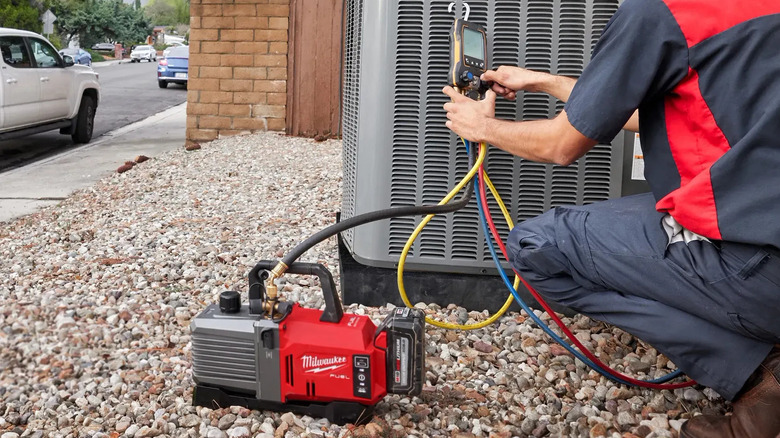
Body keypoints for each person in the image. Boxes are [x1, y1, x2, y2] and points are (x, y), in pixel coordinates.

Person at [442, 0, 780, 437]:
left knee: (536, 246)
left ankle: (760, 374)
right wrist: (544, 82)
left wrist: (481, 127)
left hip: (754, 259)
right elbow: (667, 106)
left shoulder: (661, 12)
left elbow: (561, 146)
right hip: (762, 217)